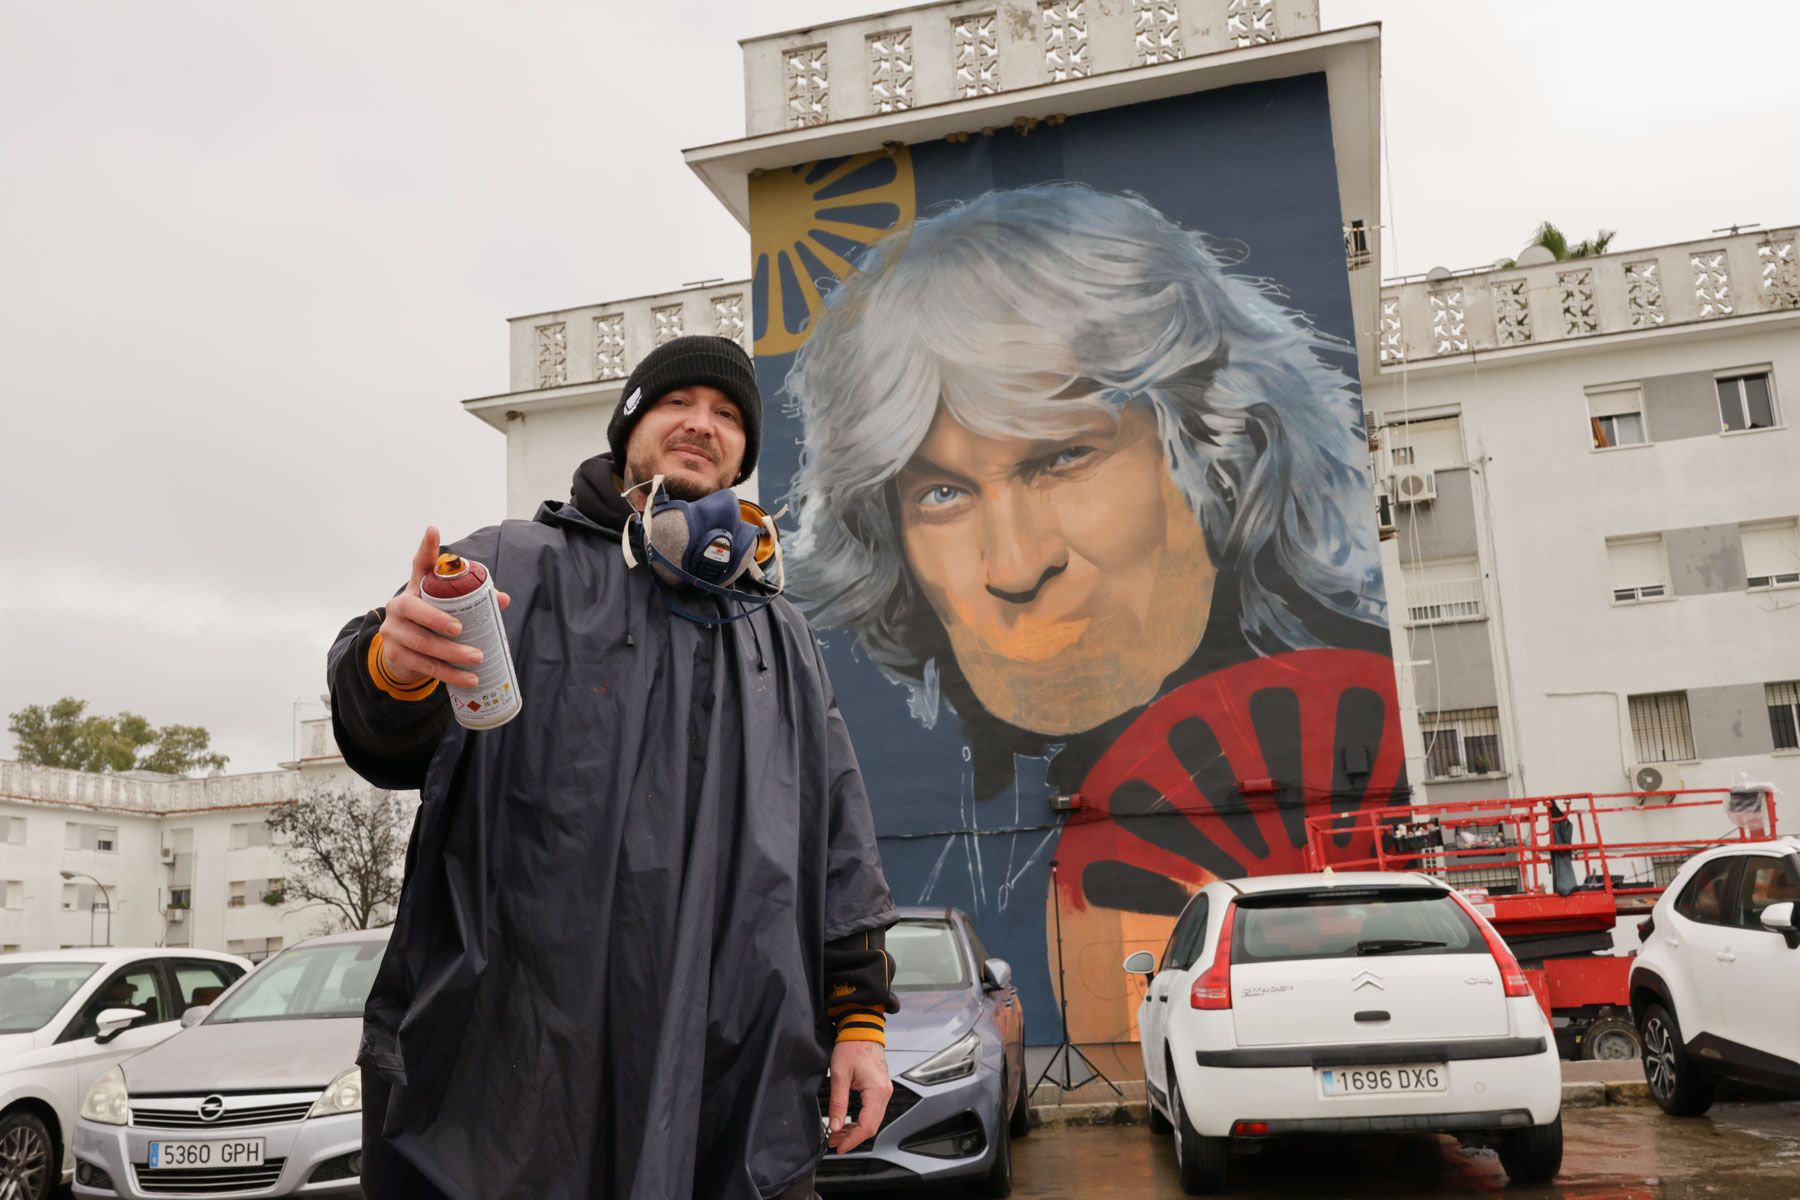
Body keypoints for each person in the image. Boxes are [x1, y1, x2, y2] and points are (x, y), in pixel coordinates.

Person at [783, 185, 1404, 1040]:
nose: (1015, 564)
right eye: (942, 493)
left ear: (1212, 447)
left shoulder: (1361, 719)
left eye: (1064, 456)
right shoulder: (841, 768)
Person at [327, 335, 898, 1200]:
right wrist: (394, 668)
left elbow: (835, 829)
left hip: (731, 1061)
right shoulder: (514, 568)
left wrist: (859, 1020)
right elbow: (390, 744)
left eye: (729, 415)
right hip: (520, 1066)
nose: (703, 424)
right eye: (679, 403)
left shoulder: (775, 632)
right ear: (629, 422)